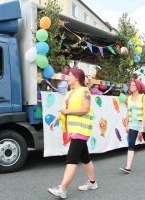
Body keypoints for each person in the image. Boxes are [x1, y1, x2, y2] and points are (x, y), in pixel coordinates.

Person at [48, 69, 97, 199]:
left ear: (76, 77)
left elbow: (85, 109)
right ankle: (92, 183)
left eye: (69, 76)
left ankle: (62, 188)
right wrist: (55, 120)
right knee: (85, 157)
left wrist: (68, 111)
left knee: (71, 158)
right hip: (74, 130)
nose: (67, 78)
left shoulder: (85, 91)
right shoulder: (69, 92)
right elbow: (64, 110)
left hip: (81, 130)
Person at [120, 79, 145, 174]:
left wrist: (142, 127)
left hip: (144, 124)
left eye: (133, 85)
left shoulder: (143, 97)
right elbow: (128, 112)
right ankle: (128, 167)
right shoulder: (129, 98)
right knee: (131, 144)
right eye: (131, 85)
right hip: (133, 124)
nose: (131, 86)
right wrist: (126, 125)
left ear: (138, 87)